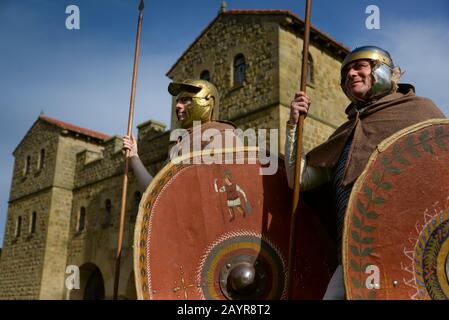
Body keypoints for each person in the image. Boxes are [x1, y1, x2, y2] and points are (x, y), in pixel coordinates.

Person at [284, 46, 445, 299]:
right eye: (346, 71)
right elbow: (300, 180)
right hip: (356, 255)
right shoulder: (345, 135)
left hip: (420, 250)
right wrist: (293, 123)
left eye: (359, 67)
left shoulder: (420, 111)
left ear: (382, 71)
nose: (351, 74)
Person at [123, 79, 237, 191]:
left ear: (208, 101)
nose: (177, 105)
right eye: (178, 101)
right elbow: (156, 192)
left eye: (185, 100)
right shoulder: (178, 146)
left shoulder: (224, 135)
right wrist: (134, 156)